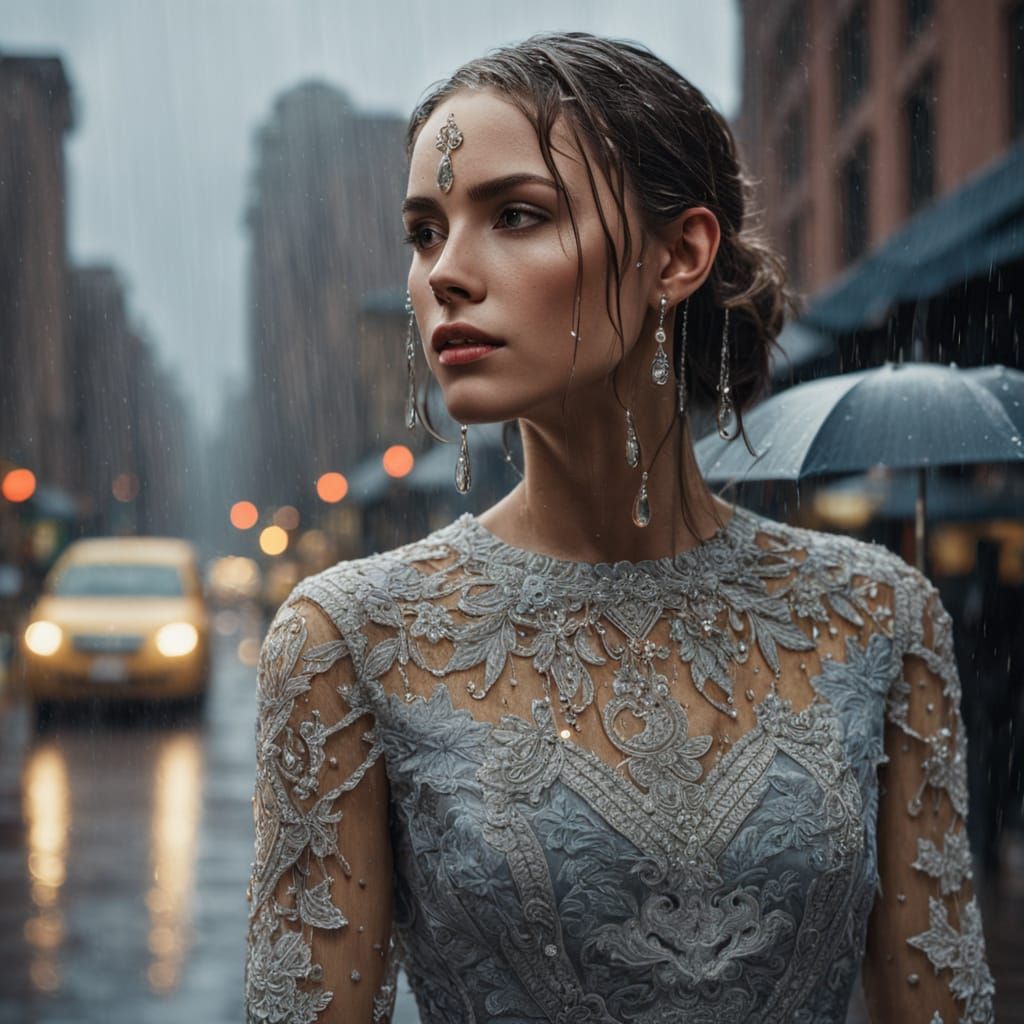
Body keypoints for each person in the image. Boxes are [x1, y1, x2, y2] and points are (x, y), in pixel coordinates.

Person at [244, 32, 995, 1023]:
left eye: (516, 215)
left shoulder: (880, 617)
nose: (444, 275)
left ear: (677, 255)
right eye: (424, 232)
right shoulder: (348, 640)